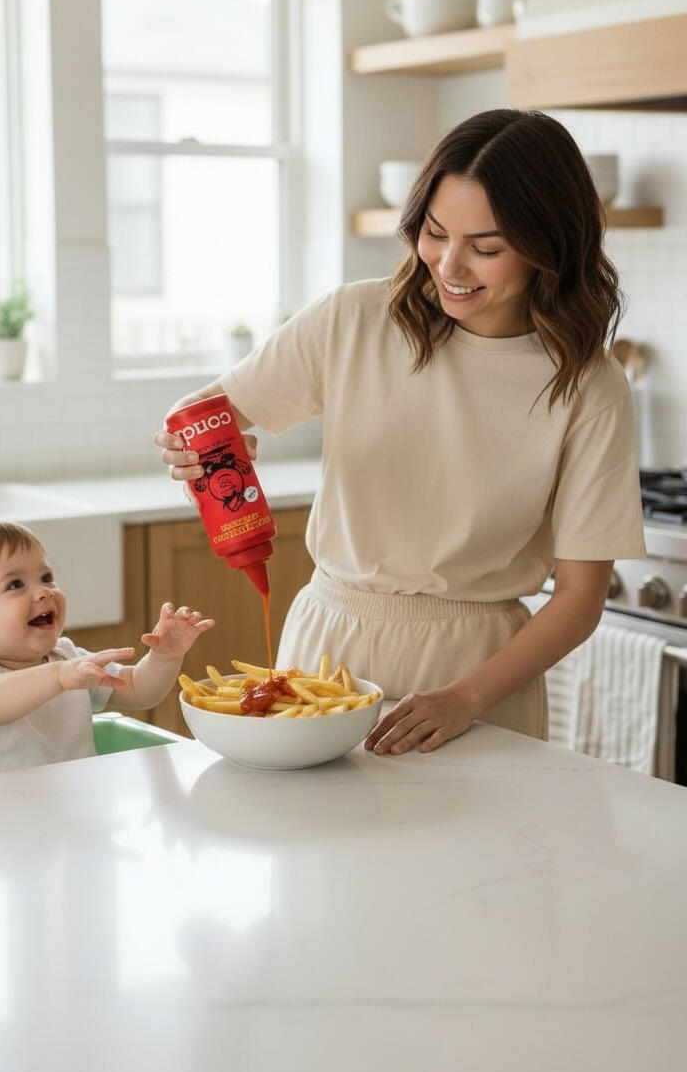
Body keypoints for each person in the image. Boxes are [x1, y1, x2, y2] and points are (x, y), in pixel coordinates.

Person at [154, 108, 646, 757]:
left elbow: (581, 599)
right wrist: (198, 447)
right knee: (321, 857)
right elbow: (206, 412)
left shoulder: (590, 385)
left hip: (481, 671)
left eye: (487, 247)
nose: (449, 264)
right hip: (329, 646)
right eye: (435, 233)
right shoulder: (354, 319)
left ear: (548, 245)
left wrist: (467, 697)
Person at [0, 521, 214, 781]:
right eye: (15, 584)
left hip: (71, 811)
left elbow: (138, 689)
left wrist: (165, 656)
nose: (44, 591)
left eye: (46, 578)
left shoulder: (67, 657)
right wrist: (58, 677)